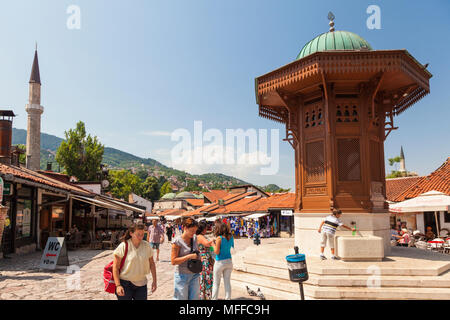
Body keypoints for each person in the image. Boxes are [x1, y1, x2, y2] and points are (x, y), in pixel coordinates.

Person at [112, 223, 157, 300]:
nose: (141, 237)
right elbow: (115, 267)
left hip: (141, 284)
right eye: (138, 234)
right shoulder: (124, 246)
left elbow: (152, 264)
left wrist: (154, 281)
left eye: (142, 234)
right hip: (125, 284)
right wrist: (118, 285)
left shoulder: (146, 246)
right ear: (131, 233)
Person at [171, 217, 201, 300]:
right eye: (192, 231)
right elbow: (173, 261)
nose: (193, 233)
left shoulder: (194, 238)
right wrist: (189, 256)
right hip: (181, 276)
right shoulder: (177, 241)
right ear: (185, 228)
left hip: (194, 274)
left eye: (195, 231)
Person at [211, 222, 234, 300]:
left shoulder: (219, 238)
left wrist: (213, 244)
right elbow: (231, 246)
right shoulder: (231, 236)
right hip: (229, 261)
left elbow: (217, 252)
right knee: (227, 282)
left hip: (220, 262)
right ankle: (228, 298)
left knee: (216, 283)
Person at [196, 221, 214, 300]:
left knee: (205, 279)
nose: (206, 229)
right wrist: (214, 240)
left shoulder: (200, 236)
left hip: (205, 259)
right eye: (206, 228)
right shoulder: (200, 236)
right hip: (204, 260)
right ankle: (206, 297)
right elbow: (207, 244)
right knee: (206, 279)